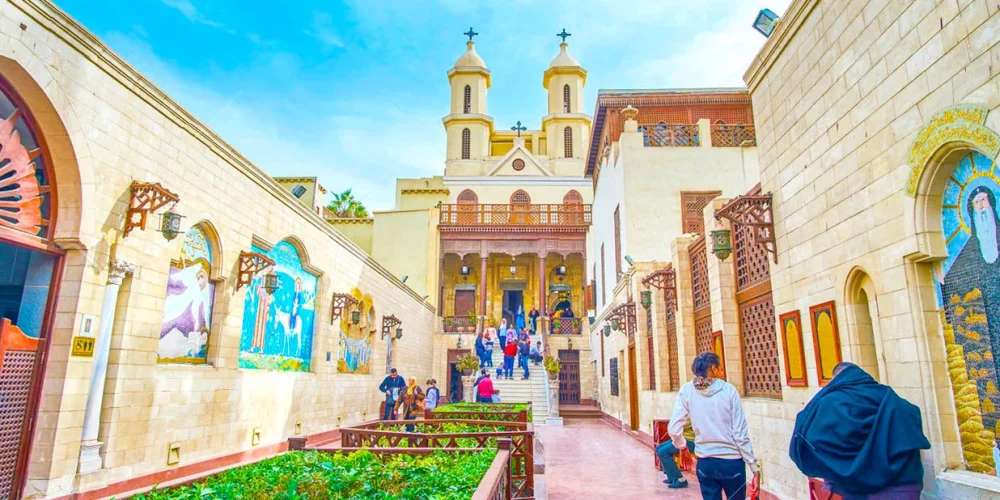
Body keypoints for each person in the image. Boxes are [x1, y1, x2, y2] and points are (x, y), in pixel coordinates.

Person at [790, 362, 930, 500]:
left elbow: (808, 438)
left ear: (836, 379)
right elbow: (910, 419)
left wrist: (834, 467)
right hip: (903, 485)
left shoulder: (831, 402)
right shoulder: (890, 397)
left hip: (859, 490)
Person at [668, 352, 760, 500]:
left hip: (706, 463)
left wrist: (682, 446)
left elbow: (674, 428)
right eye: (721, 368)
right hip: (732, 463)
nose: (722, 372)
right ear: (714, 369)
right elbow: (740, 434)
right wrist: (753, 466)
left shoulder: (687, 390)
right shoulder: (729, 390)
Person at [655, 422, 696, 488]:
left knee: (662, 452)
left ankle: (681, 480)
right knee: (658, 448)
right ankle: (672, 477)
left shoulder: (690, 412)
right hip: (683, 438)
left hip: (691, 441)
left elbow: (678, 425)